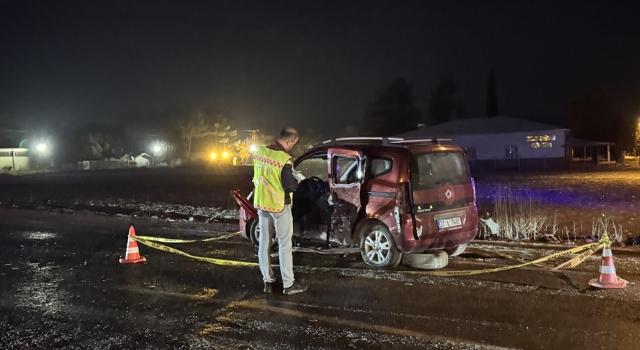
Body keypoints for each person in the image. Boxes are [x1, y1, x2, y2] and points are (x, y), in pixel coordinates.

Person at [253, 127, 308, 295]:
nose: (292, 147)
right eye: (293, 144)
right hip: (279, 206)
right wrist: (298, 180)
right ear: (289, 141)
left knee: (264, 243)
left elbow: (262, 174)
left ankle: (268, 282)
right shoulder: (284, 158)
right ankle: (288, 284)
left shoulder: (260, 151)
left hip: (262, 204)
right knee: (285, 245)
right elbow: (289, 186)